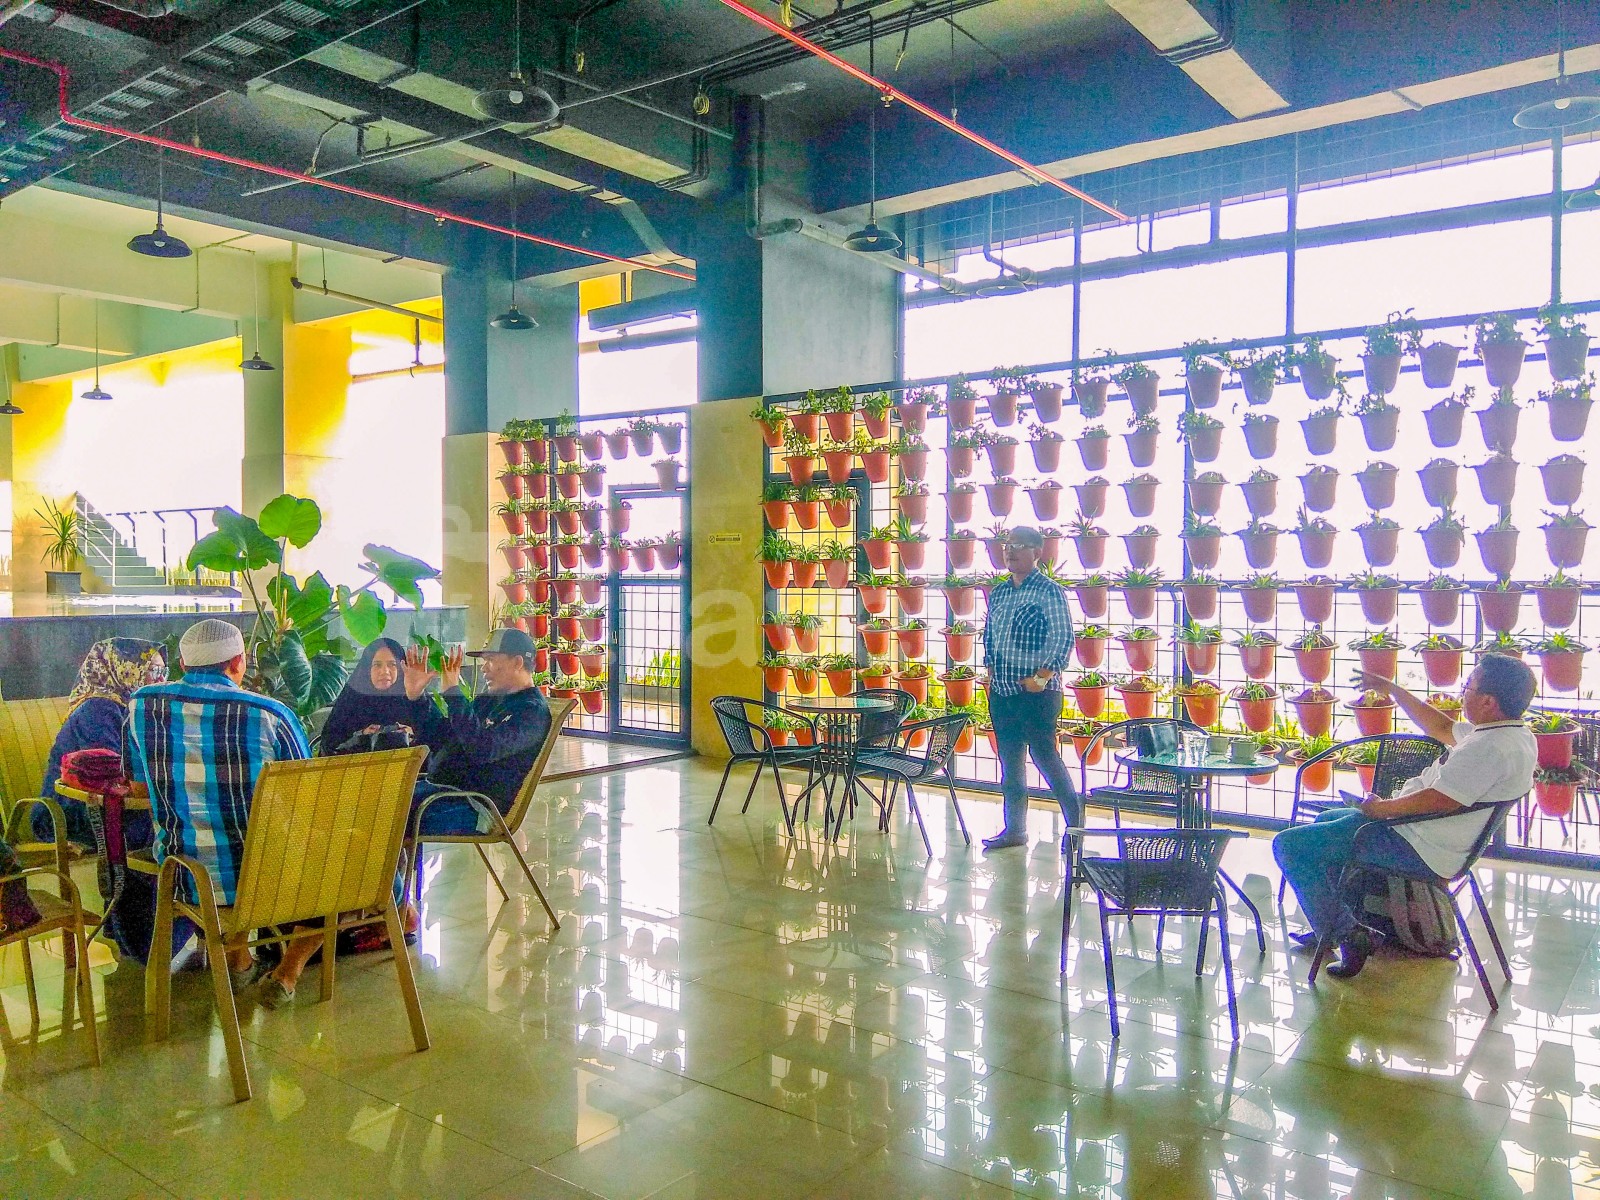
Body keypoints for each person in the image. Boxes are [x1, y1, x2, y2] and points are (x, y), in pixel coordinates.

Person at [1274, 654, 1537, 979]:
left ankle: (1348, 935)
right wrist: (1392, 689)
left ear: (1488, 702)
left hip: (1416, 844)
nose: (1462, 692)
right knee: (1323, 823)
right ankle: (1333, 925)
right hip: (1426, 838)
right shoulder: (1511, 736)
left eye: (1469, 686)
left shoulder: (1488, 748)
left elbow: (1440, 800)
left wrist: (1381, 809)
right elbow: (1441, 727)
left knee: (1289, 845)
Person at [127, 618, 320, 1008]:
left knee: (231, 851)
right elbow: (305, 798)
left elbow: (139, 788)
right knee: (344, 863)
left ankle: (239, 958)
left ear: (183, 663)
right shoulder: (271, 714)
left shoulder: (141, 705)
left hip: (186, 876)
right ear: (238, 662)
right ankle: (287, 973)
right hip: (270, 882)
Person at [978, 527, 1080, 852]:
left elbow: (1063, 638)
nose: (1010, 551)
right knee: (1010, 763)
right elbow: (989, 636)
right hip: (1003, 692)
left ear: (1037, 552)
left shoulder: (1050, 591)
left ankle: (1076, 830)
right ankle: (1015, 831)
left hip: (1038, 693)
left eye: (1019, 546)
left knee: (1045, 757)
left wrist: (1042, 676)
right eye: (1007, 545)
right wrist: (991, 671)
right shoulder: (999, 593)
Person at [406, 627, 553, 836]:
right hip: (442, 793)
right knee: (376, 801)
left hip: (476, 806)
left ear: (517, 662)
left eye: (490, 660)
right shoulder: (488, 700)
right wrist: (417, 697)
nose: (484, 668)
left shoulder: (531, 712)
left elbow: (483, 749)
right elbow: (441, 737)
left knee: (391, 817)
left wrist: (454, 695)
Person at [35, 637, 167, 849]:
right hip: (70, 812)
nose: (161, 679)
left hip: (109, 804)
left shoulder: (131, 707)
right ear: (124, 669)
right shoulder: (99, 708)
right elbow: (111, 770)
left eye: (163, 671)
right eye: (153, 671)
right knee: (170, 828)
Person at [319, 637, 431, 755]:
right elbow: (329, 747)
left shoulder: (415, 697)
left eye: (392, 664)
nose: (385, 671)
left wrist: (412, 735)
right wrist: (362, 737)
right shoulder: (351, 700)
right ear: (367, 668)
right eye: (377, 665)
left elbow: (436, 742)